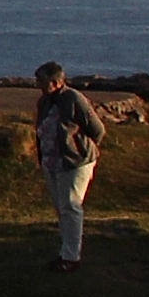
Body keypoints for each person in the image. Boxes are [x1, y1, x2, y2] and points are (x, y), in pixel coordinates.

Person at [34, 60, 106, 270]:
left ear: (56, 82)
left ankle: (70, 258)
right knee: (62, 208)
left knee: (71, 206)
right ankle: (66, 251)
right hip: (52, 162)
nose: (38, 84)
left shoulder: (74, 98)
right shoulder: (44, 101)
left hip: (75, 162)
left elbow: (97, 130)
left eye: (42, 80)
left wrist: (78, 148)